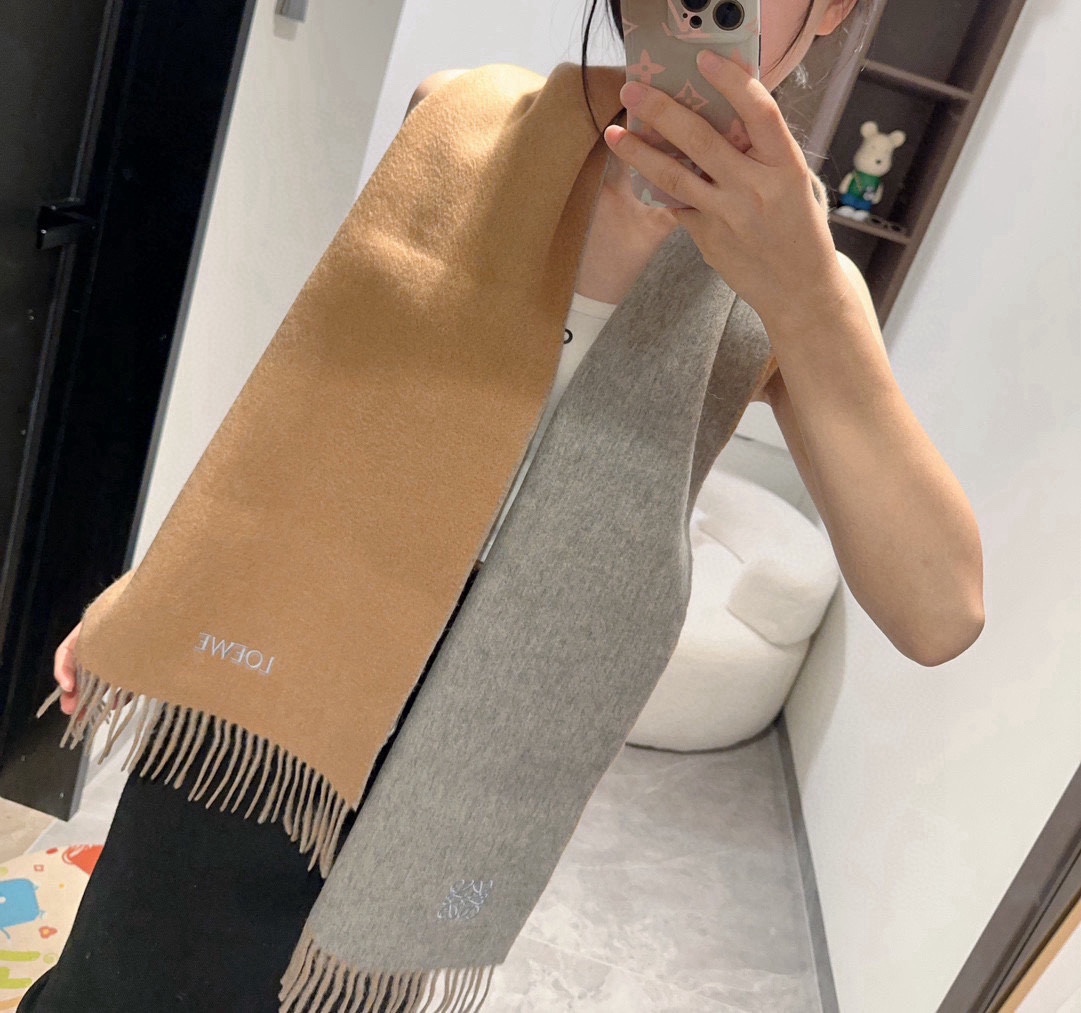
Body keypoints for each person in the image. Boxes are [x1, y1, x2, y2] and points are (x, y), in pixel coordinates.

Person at [20, 0, 984, 1008]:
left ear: (834, 9)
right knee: (129, 970)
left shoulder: (802, 289)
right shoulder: (456, 120)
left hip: (487, 729)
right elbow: (305, 421)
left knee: (330, 992)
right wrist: (160, 593)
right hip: (293, 644)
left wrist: (804, 292)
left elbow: (941, 610)